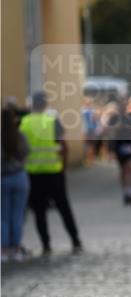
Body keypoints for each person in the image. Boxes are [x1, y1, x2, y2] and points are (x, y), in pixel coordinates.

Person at [19, 92, 82, 257]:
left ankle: (46, 245)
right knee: (64, 208)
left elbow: (21, 149)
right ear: (45, 105)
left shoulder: (24, 123)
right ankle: (75, 241)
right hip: (54, 172)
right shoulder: (52, 121)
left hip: (33, 174)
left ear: (31, 105)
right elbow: (63, 147)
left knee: (39, 212)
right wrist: (64, 167)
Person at [1, 106, 31, 262]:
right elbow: (27, 152)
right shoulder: (19, 136)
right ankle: (16, 247)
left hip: (3, 178)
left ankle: (4, 249)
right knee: (18, 214)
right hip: (19, 176)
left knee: (3, 216)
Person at [104, 99, 131, 204]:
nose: (122, 108)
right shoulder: (114, 118)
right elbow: (108, 132)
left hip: (130, 144)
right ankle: (125, 192)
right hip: (119, 145)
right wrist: (110, 151)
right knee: (123, 170)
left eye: (124, 106)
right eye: (120, 106)